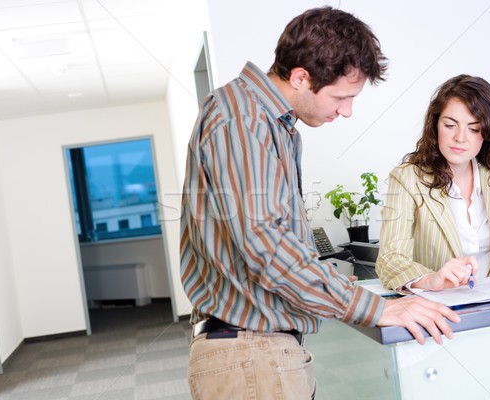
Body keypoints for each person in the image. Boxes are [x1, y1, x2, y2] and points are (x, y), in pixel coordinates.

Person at [180, 6, 460, 400]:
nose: (346, 111)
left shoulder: (263, 121)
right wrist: (375, 308)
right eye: (341, 97)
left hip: (258, 352)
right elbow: (267, 245)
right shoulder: (243, 122)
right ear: (300, 77)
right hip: (250, 354)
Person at [376, 74, 490, 294]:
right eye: (450, 125)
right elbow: (391, 259)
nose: (460, 137)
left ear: (487, 133)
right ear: (435, 125)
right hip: (438, 306)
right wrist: (430, 279)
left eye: (474, 128)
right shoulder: (407, 178)